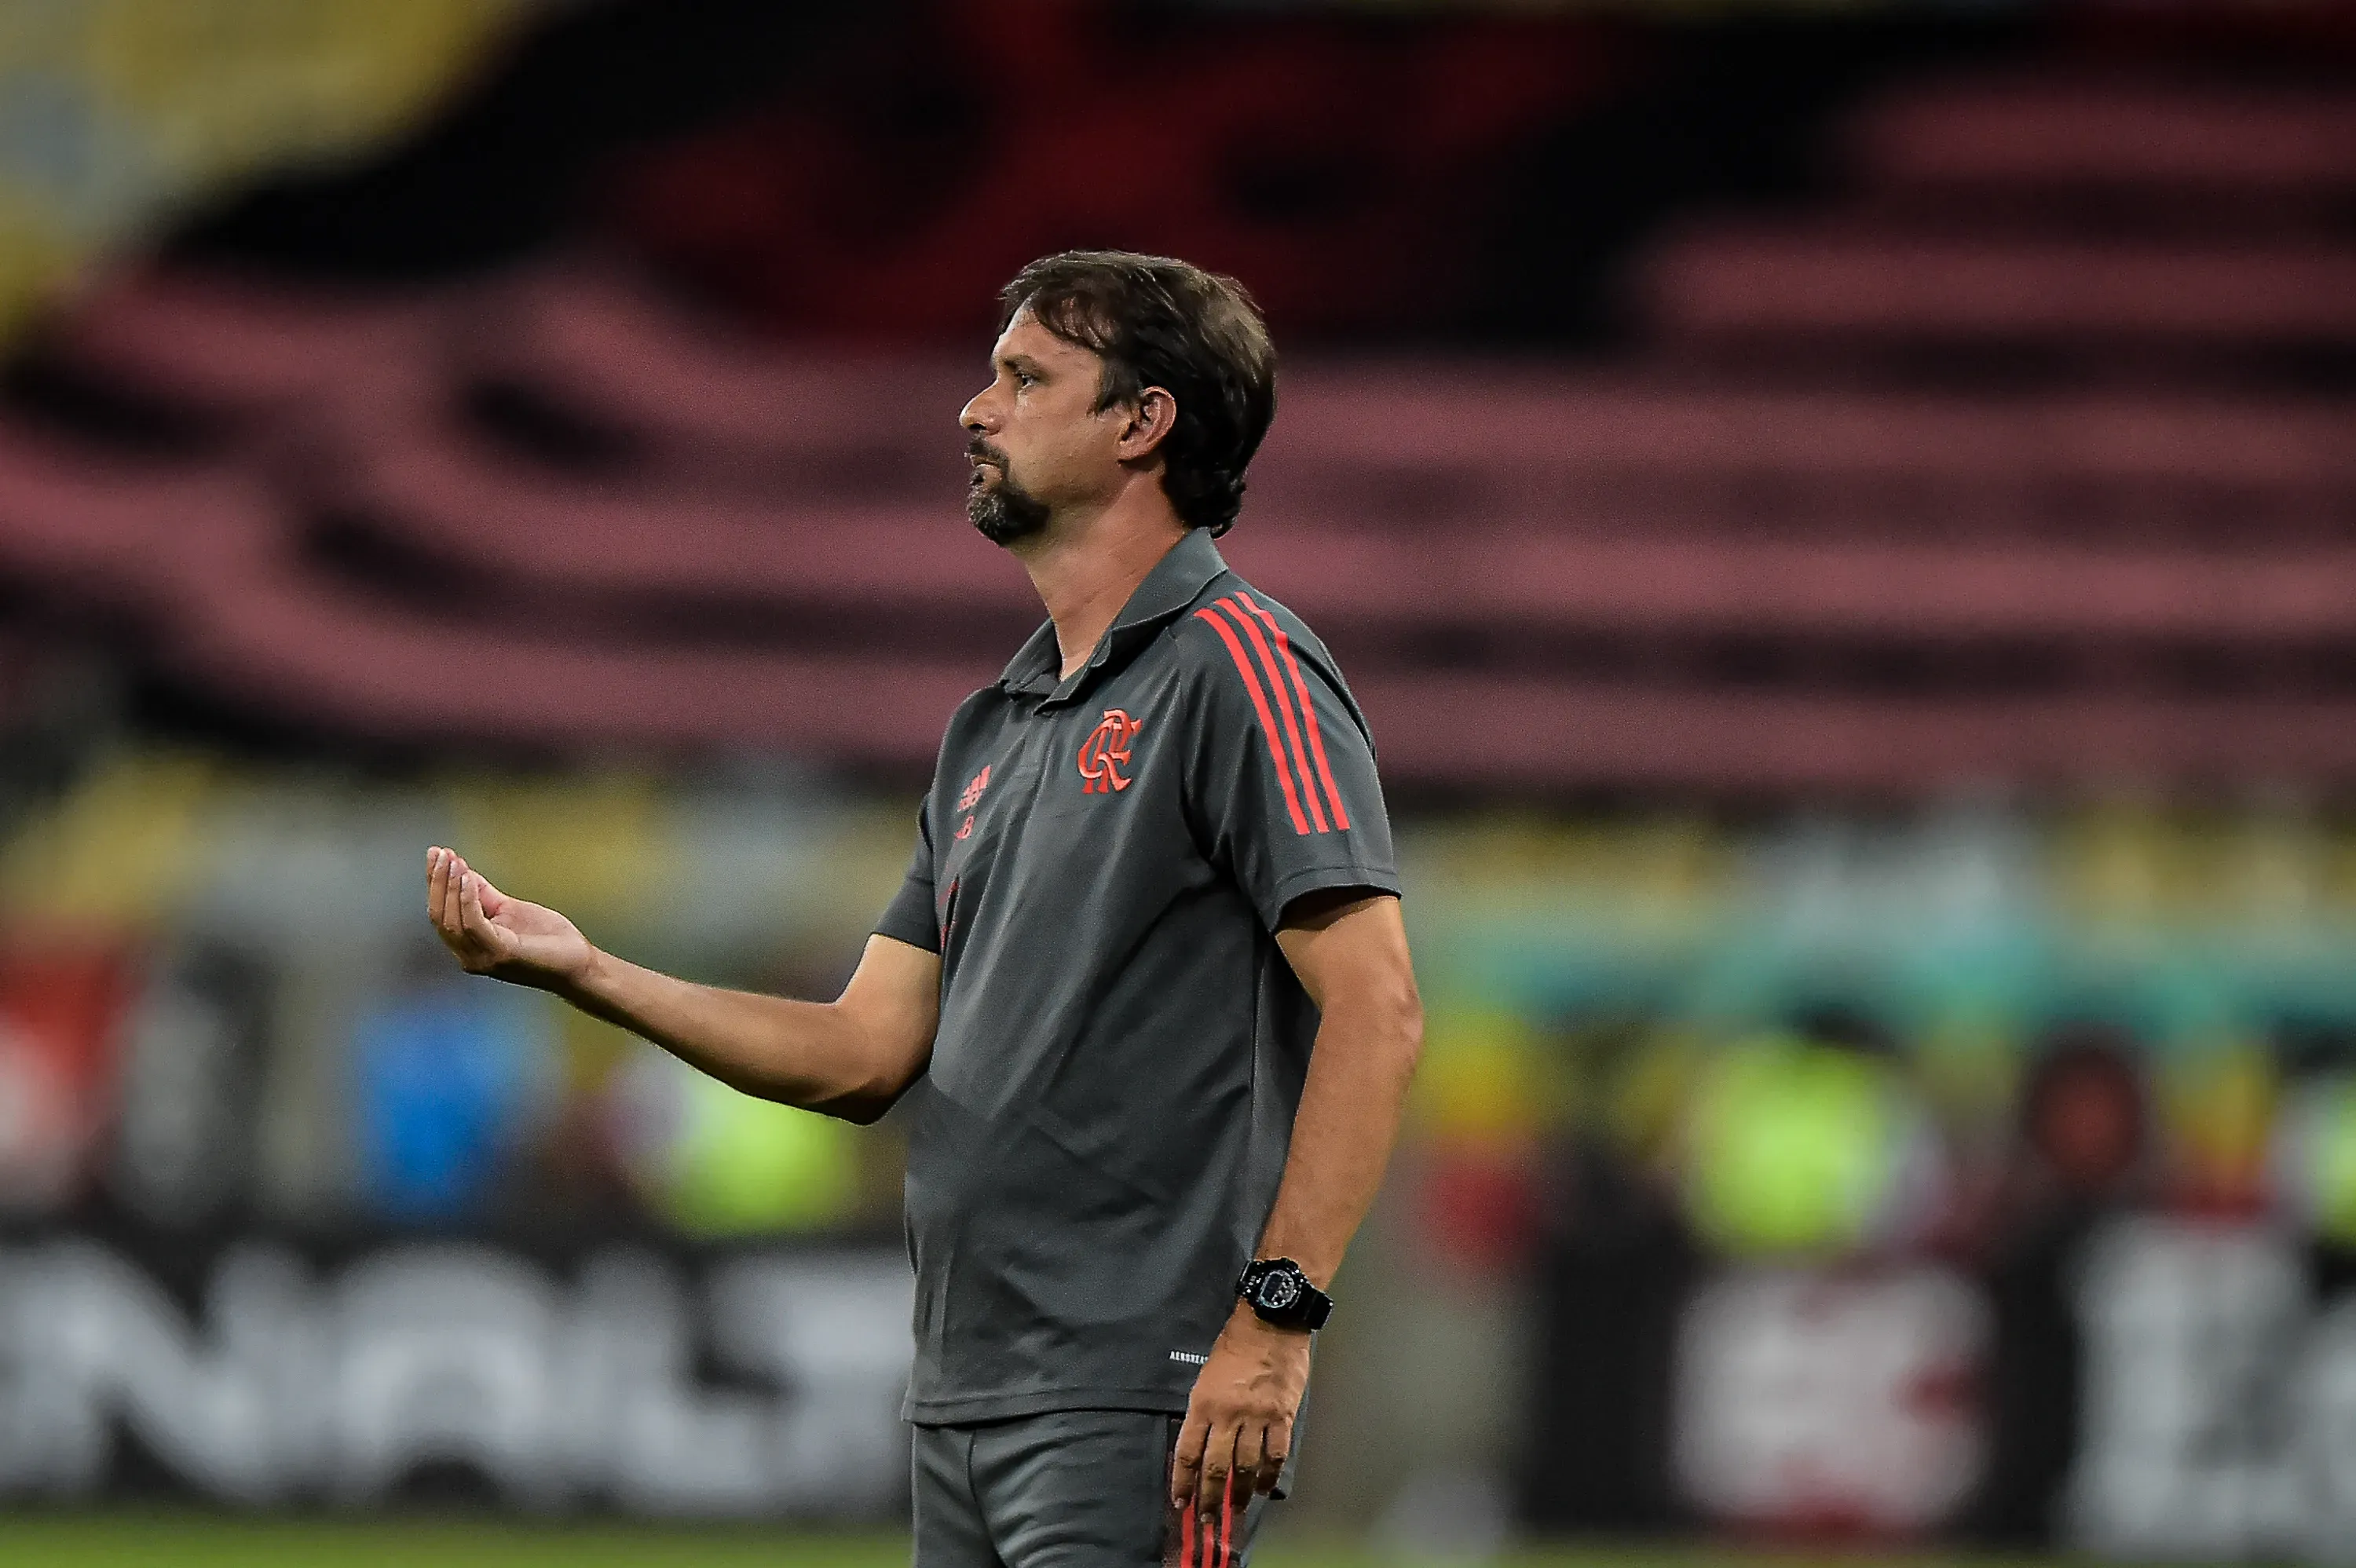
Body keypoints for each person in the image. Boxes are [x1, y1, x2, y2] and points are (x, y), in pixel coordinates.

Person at [423, 250, 1424, 1566]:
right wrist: (587, 969)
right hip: (965, 1393)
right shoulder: (988, 732)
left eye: (1024, 376)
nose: (974, 407)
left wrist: (1275, 1321)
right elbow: (861, 1053)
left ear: (1143, 421)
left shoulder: (1241, 666)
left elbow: (1379, 1006)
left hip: (1141, 1387)